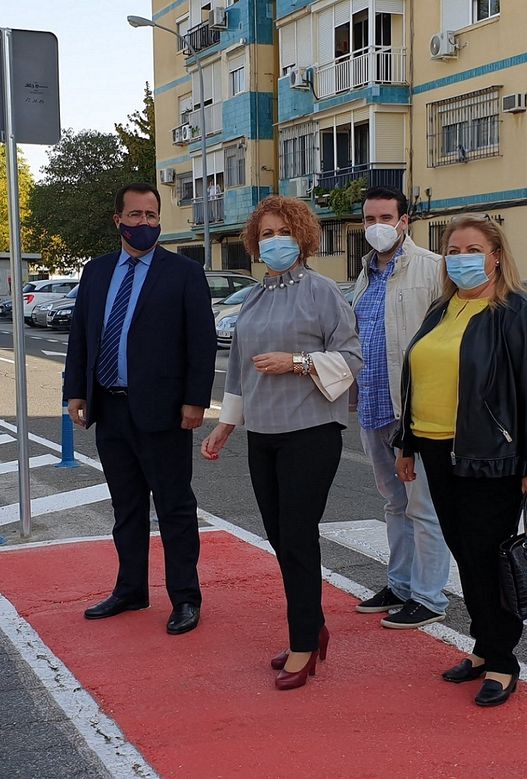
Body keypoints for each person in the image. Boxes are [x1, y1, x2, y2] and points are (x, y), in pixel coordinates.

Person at [394, 214, 527, 708]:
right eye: (453, 249)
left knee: (490, 559)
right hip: (437, 450)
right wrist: (407, 444)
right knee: (467, 557)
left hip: (492, 456)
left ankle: (504, 660)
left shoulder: (519, 312)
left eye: (472, 249)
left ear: (496, 256)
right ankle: (485, 647)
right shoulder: (442, 309)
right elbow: (416, 378)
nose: (461, 257)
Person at [200, 196, 362, 690]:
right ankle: (311, 628)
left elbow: (352, 356)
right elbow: (238, 370)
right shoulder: (254, 297)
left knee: (296, 535)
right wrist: (225, 424)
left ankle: (303, 643)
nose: (273, 241)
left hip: (310, 431)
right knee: (278, 536)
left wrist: (298, 361)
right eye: (265, 234)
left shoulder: (322, 291)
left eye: (281, 232)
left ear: (302, 236)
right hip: (263, 432)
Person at [64, 183, 218, 634]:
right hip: (109, 409)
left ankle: (185, 598)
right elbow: (82, 336)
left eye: (152, 216)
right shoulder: (96, 272)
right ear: (118, 220)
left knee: (174, 509)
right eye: (135, 216)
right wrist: (76, 390)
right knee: (126, 508)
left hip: (165, 412)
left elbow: (202, 343)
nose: (145, 224)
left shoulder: (184, 273)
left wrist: (195, 401)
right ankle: (130, 589)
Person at [348, 186, 450, 630]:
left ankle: (430, 596)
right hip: (372, 405)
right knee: (394, 503)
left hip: (414, 409)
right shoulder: (364, 274)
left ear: (404, 221)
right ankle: (401, 584)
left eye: (385, 218)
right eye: (369, 219)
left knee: (424, 506)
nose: (377, 227)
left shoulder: (431, 269)